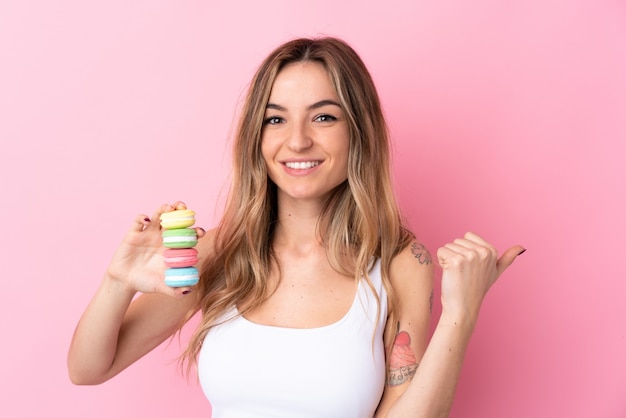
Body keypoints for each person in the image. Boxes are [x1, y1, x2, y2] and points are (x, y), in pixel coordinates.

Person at [68, 36, 524, 417]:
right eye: (275, 118)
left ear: (358, 131)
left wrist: (461, 317)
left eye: (324, 116)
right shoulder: (223, 253)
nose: (298, 140)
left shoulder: (401, 263)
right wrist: (117, 282)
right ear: (256, 136)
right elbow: (88, 369)